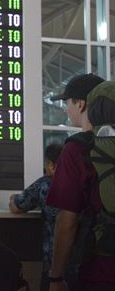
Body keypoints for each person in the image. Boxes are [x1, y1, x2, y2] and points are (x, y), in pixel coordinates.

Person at [46, 73, 115, 290]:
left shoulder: (76, 149)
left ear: (82, 103)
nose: (67, 109)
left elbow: (67, 220)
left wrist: (56, 277)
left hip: (99, 271)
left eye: (68, 102)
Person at [9, 143, 64, 291]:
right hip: (82, 262)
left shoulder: (45, 184)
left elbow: (16, 206)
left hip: (53, 265)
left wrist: (12, 197)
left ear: (52, 166)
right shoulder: (82, 182)